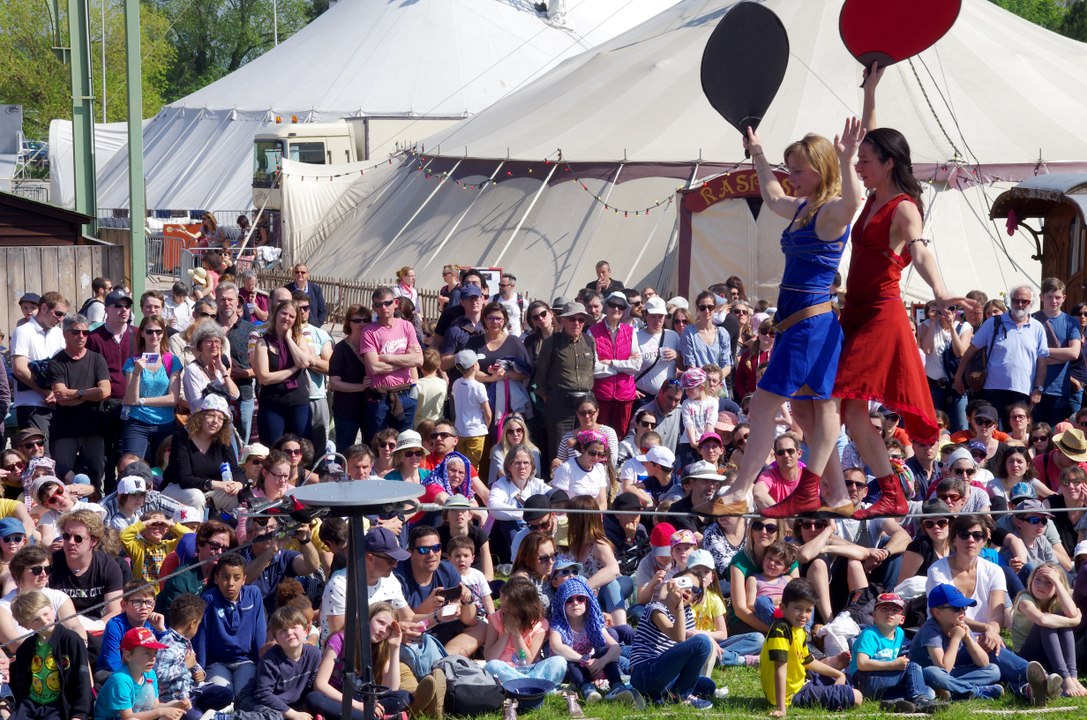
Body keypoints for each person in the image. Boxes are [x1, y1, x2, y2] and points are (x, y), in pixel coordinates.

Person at [832, 68, 972, 519]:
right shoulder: (872, 194)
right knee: (852, 416)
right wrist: (871, 91)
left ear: (888, 163)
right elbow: (872, 133)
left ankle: (825, 486)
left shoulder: (903, 207)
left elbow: (920, 250)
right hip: (854, 311)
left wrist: (941, 289)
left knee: (835, 402)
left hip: (880, 314)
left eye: (866, 160)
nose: (859, 164)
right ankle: (890, 490)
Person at [715, 122, 863, 519]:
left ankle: (740, 489)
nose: (791, 177)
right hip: (798, 325)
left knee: (763, 406)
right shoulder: (803, 207)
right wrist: (758, 151)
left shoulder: (832, 211)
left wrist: (848, 159)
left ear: (820, 169)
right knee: (803, 415)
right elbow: (772, 193)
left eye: (798, 170)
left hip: (810, 326)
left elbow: (855, 200)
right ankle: (838, 496)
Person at [761, 578, 860, 716]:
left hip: (803, 681)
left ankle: (833, 685)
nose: (803, 615)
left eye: (808, 610)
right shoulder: (781, 631)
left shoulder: (798, 628)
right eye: (798, 608)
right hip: (792, 694)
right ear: (783, 608)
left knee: (847, 680)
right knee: (856, 697)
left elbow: (807, 661)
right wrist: (781, 707)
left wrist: (837, 673)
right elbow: (780, 671)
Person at [954, 285, 1049, 424]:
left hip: (1023, 392)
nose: (1020, 304)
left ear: (1032, 303)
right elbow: (971, 350)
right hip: (993, 391)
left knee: (1016, 437)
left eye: (1025, 301)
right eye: (1016, 300)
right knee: (992, 434)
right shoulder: (994, 322)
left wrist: (1038, 389)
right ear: (1010, 301)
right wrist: (958, 376)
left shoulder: (1037, 327)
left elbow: (1042, 362)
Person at [629, 569, 718, 710]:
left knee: (708, 686)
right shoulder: (655, 608)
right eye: (684, 583)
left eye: (695, 589)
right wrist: (679, 607)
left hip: (666, 675)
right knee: (703, 642)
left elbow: (689, 644)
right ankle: (681, 696)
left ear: (696, 597)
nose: (689, 590)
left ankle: (660, 698)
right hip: (645, 673)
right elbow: (678, 637)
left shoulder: (686, 614)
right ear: (673, 584)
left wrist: (680, 609)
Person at [549, 574, 638, 705]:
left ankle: (617, 686)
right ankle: (587, 689)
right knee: (569, 662)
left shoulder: (593, 622)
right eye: (569, 600)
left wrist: (602, 661)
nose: (575, 603)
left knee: (604, 650)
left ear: (587, 601)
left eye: (580, 599)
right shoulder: (559, 624)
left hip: (594, 665)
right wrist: (582, 659)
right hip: (574, 668)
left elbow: (615, 647)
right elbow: (556, 646)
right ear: (562, 603)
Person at [908, 583, 1004, 700]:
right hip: (925, 677)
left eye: (964, 607)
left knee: (993, 670)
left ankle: (949, 690)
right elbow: (943, 667)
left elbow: (984, 663)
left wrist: (968, 638)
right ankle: (975, 691)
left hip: (948, 676)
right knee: (931, 672)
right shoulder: (930, 630)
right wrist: (956, 638)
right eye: (956, 608)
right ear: (937, 612)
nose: (962, 612)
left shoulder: (961, 625)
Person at [48, 314, 111, 489]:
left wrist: (76, 393)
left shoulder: (97, 359)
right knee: (63, 476)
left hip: (94, 428)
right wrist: (91, 394)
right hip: (65, 430)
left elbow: (105, 392)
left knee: (96, 476)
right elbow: (61, 398)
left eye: (85, 332)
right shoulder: (56, 362)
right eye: (76, 332)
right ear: (65, 333)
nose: (81, 336)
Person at [9, 590, 93, 720]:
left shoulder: (71, 640)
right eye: (36, 619)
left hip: (58, 707)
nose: (44, 621)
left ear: (52, 609)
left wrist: (79, 714)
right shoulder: (25, 648)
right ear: (26, 625)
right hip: (30, 705)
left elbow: (82, 678)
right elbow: (21, 682)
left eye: (46, 613)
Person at [194, 553, 265, 705]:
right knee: (223, 696)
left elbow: (259, 632)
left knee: (245, 695)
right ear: (216, 578)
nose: (230, 583)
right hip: (217, 663)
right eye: (225, 577)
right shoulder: (208, 599)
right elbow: (202, 637)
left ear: (244, 579)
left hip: (245, 662)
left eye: (237, 578)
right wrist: (199, 667)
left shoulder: (253, 595)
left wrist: (261, 665)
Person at [847, 592, 936, 712]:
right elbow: (862, 664)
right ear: (874, 615)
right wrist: (892, 665)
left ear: (902, 619)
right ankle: (920, 700)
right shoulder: (869, 634)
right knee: (913, 667)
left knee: (927, 691)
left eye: (895, 610)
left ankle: (893, 703)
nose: (890, 613)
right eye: (884, 608)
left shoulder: (899, 633)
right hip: (862, 680)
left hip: (880, 682)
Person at [1011, 563, 1087, 698]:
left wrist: (1057, 582)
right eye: (1038, 580)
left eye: (1048, 582)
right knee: (1047, 622)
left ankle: (1072, 676)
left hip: (1051, 656)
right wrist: (1074, 621)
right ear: (1031, 580)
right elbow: (1042, 620)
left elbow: (1071, 612)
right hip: (1027, 659)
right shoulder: (1024, 599)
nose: (1041, 585)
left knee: (1061, 618)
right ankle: (1065, 678)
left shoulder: (1058, 599)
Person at [534, 302, 597, 463]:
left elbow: (592, 369)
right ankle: (557, 484)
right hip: (560, 402)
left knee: (587, 444)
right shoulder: (552, 342)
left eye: (581, 320)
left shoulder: (590, 342)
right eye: (572, 319)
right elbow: (540, 372)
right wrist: (547, 397)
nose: (577, 323)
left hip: (585, 403)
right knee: (559, 447)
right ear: (562, 321)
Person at [155, 593, 234, 719]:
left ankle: (198, 712)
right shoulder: (167, 645)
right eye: (199, 624)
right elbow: (158, 674)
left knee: (225, 695)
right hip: (174, 699)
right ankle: (195, 714)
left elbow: (192, 663)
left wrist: (199, 672)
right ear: (192, 623)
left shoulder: (186, 641)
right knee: (194, 717)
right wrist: (185, 666)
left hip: (191, 692)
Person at [160, 395, 243, 512]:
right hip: (177, 488)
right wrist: (217, 484)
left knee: (233, 497)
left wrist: (238, 484)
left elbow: (235, 469)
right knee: (196, 497)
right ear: (201, 416)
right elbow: (185, 479)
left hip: (209, 490)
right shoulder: (181, 437)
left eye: (220, 418)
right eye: (211, 415)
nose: (215, 421)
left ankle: (228, 529)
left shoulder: (223, 440)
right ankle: (195, 530)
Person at [361, 286, 424, 439]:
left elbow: (419, 359)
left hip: (405, 394)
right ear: (373, 307)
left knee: (404, 444)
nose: (383, 308)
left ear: (395, 303)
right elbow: (374, 367)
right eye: (378, 304)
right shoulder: (369, 331)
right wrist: (405, 361)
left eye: (387, 303)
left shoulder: (406, 326)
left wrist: (388, 357)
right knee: (380, 445)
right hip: (380, 398)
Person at [482, 575, 567, 685]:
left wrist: (516, 634)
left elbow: (527, 662)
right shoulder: (495, 618)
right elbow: (489, 658)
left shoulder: (540, 624)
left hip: (530, 670)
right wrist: (507, 632)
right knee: (492, 666)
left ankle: (522, 684)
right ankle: (534, 686)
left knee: (559, 662)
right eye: (501, 603)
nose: (502, 608)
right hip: (504, 669)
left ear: (522, 608)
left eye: (507, 606)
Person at [122, 315, 181, 463]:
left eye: (158, 331)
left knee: (164, 469)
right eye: (149, 331)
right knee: (133, 466)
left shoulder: (172, 360)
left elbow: (173, 399)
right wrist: (136, 372)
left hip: (165, 423)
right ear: (141, 333)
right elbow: (130, 399)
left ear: (163, 334)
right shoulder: (132, 361)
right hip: (137, 422)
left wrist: (141, 400)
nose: (154, 335)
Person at [253, 299, 314, 440]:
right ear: (276, 314)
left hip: (299, 404)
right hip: (272, 405)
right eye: (284, 313)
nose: (287, 318)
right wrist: (293, 369)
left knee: (299, 450)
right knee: (273, 451)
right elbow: (265, 378)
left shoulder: (299, 339)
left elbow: (305, 362)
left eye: (291, 316)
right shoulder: (262, 342)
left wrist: (288, 339)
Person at [11, 291, 69, 435]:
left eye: (64, 315)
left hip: (57, 404)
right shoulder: (23, 331)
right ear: (44, 308)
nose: (61, 319)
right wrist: (44, 392)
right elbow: (19, 368)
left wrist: (58, 393)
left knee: (57, 455)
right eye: (58, 314)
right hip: (31, 404)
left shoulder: (57, 333)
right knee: (39, 455)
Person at [588, 291, 641, 436]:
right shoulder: (592, 332)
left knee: (621, 436)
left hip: (625, 395)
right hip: (602, 395)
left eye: (621, 306)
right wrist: (624, 367)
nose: (616, 309)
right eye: (613, 304)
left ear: (625, 310)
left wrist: (612, 363)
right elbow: (593, 368)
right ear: (606, 306)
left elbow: (636, 366)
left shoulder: (630, 332)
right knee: (599, 437)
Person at [1032, 278, 1081, 426]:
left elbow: (1073, 353)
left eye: (1058, 297)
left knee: (1055, 435)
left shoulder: (1071, 322)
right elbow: (1028, 355)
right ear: (1041, 297)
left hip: (1059, 389)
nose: (1054, 301)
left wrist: (1043, 353)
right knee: (1035, 435)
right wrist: (1061, 356)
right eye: (1049, 297)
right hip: (1033, 387)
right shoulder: (1032, 320)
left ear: (1064, 298)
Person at [214, 282, 258, 445]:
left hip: (243, 395)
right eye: (222, 299)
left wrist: (242, 373)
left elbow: (261, 368)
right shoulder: (209, 328)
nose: (226, 303)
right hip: (215, 394)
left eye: (230, 299)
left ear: (237, 301)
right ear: (216, 301)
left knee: (241, 445)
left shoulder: (250, 330)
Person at [97, 581, 166, 675]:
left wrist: (162, 630)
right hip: (113, 673)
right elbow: (113, 662)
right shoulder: (115, 625)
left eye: (149, 602)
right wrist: (137, 678)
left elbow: (167, 657)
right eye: (137, 602)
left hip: (146, 673)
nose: (144, 607)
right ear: (124, 605)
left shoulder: (154, 624)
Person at [329, 304, 372, 449]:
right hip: (346, 408)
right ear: (349, 323)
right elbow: (334, 383)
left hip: (370, 407)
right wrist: (361, 386)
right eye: (357, 320)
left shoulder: (374, 346)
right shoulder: (341, 349)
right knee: (345, 450)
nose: (362, 324)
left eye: (365, 320)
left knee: (370, 449)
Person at [451, 350, 492, 468]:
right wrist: (485, 427)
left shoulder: (456, 383)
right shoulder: (479, 386)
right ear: (475, 366)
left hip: (459, 431)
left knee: (461, 466)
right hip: (476, 432)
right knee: (472, 468)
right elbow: (488, 413)